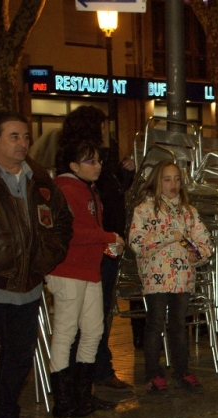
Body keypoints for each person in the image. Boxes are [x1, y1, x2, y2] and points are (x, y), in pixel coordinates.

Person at [0, 111, 73, 418]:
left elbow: (62, 224)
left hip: (28, 287)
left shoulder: (39, 180)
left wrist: (41, 262)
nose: (23, 143)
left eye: (25, 136)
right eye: (14, 136)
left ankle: (4, 414)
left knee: (19, 355)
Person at [57, 105, 135, 391]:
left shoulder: (95, 166)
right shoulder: (79, 169)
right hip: (95, 249)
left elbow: (108, 197)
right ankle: (88, 377)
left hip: (105, 245)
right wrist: (107, 236)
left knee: (95, 318)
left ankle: (92, 375)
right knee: (87, 319)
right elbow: (84, 215)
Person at [46, 140, 121, 417]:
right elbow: (71, 233)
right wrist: (107, 237)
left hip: (89, 269)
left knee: (93, 331)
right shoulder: (67, 189)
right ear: (74, 165)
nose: (98, 165)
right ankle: (64, 401)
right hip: (68, 271)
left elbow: (89, 230)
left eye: (99, 160)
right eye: (91, 161)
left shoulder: (88, 189)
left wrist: (105, 243)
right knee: (66, 332)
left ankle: (82, 395)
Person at [129, 161, 212, 395]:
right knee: (155, 325)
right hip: (156, 278)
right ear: (157, 182)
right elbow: (137, 243)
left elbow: (205, 242)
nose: (173, 184)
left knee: (178, 325)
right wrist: (168, 236)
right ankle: (153, 374)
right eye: (167, 179)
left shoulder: (188, 211)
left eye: (176, 179)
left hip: (183, 277)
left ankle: (181, 371)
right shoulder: (144, 210)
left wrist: (198, 255)